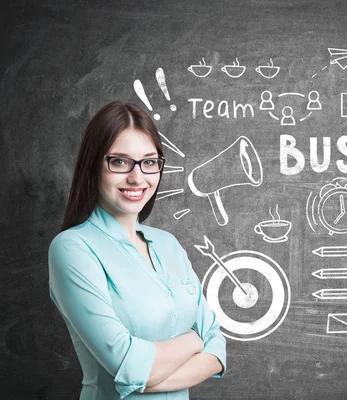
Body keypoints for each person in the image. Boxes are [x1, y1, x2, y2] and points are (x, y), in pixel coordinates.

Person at [48, 102, 226, 399]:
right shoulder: (72, 249)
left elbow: (217, 348)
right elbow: (127, 365)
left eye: (149, 162)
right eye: (119, 162)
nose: (137, 177)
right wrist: (196, 340)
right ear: (93, 165)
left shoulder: (169, 245)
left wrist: (149, 376)